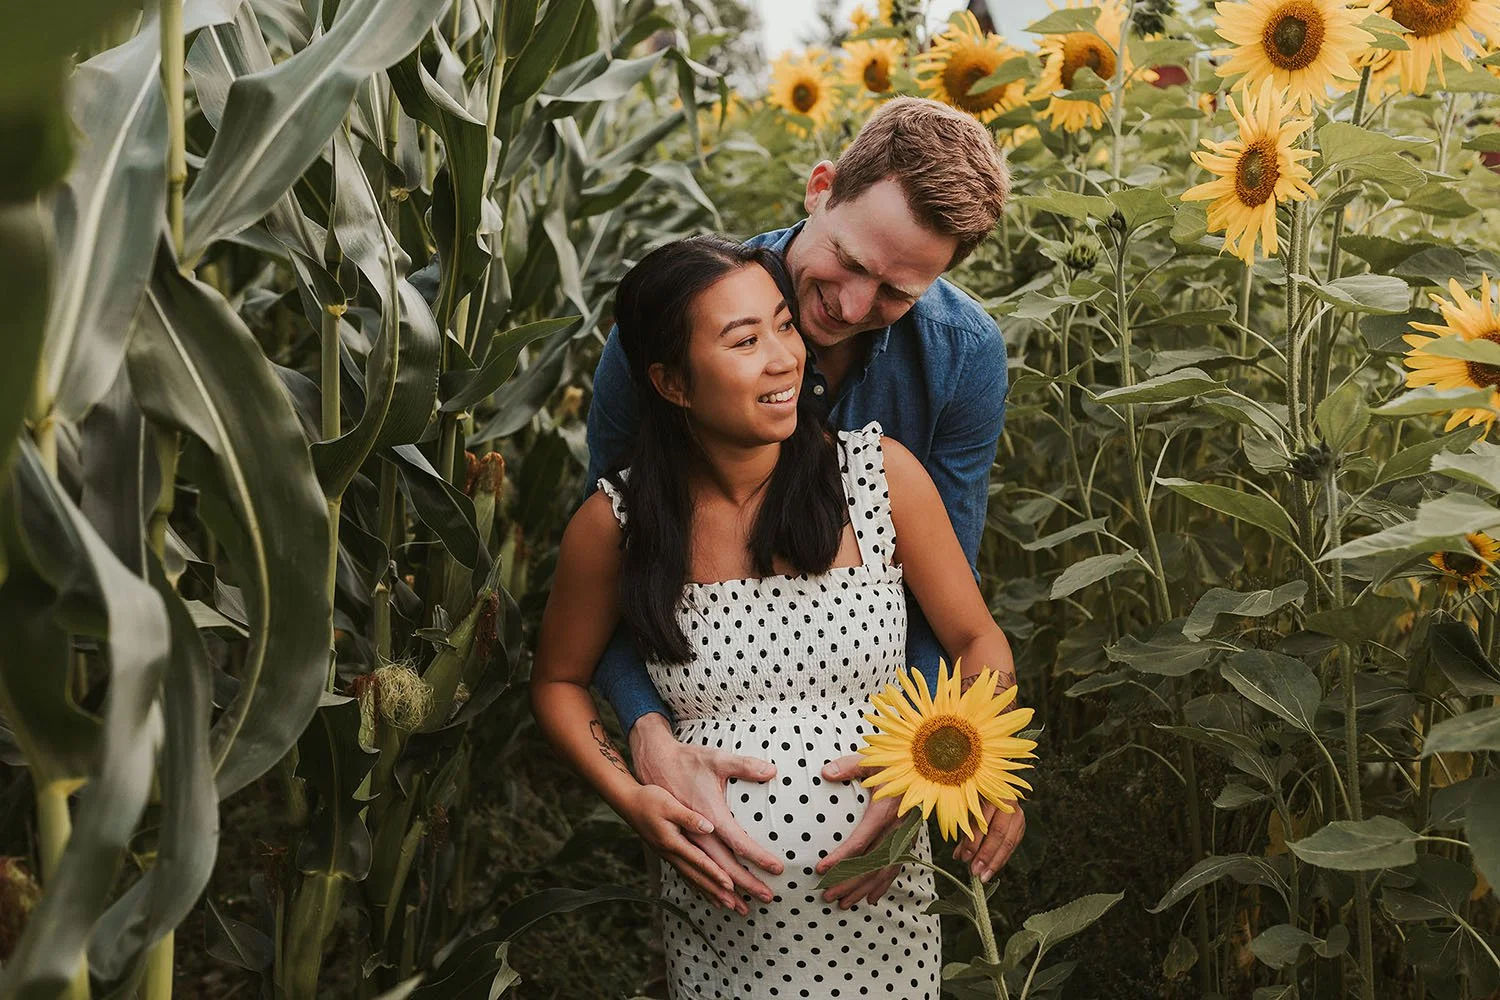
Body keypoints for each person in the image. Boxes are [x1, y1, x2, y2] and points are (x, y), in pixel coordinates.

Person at [529, 234, 1020, 998]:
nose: (785, 358)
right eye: (743, 340)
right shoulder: (616, 524)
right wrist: (632, 798)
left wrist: (968, 766)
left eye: (783, 326)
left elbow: (975, 638)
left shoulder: (879, 476)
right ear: (671, 382)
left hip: (883, 921)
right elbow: (558, 679)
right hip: (723, 936)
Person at [585, 97, 1023, 916]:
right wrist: (645, 732)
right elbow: (613, 546)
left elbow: (944, 600)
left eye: (896, 292)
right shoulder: (672, 321)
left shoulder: (964, 359)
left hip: (876, 800)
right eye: (849, 264)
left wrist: (925, 766)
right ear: (821, 187)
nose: (852, 307)